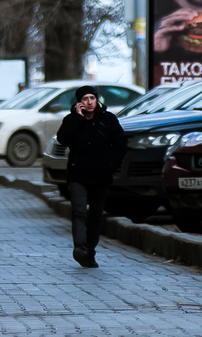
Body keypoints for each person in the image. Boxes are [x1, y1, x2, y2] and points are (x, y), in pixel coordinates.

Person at [55, 85, 127, 268]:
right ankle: (80, 248)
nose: (89, 102)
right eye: (85, 99)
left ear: (97, 100)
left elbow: (120, 144)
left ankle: (90, 251)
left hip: (101, 175)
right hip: (77, 174)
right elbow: (62, 139)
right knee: (78, 212)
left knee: (95, 215)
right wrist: (76, 119)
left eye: (92, 98)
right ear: (79, 102)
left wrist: (111, 165)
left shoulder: (108, 119)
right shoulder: (72, 119)